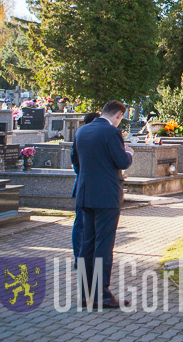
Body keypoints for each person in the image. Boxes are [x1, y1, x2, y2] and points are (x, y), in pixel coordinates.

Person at [71, 100, 133, 308]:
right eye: (120, 119)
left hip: (86, 194)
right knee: (103, 246)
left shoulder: (82, 132)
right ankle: (101, 295)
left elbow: (76, 160)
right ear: (118, 115)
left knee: (86, 244)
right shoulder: (111, 133)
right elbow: (122, 162)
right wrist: (129, 154)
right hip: (107, 196)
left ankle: (85, 293)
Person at [70, 111, 100, 268]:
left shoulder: (81, 136)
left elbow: (74, 160)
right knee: (81, 224)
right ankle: (79, 257)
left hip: (84, 186)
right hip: (85, 187)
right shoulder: (84, 137)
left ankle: (85, 257)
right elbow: (75, 163)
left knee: (85, 225)